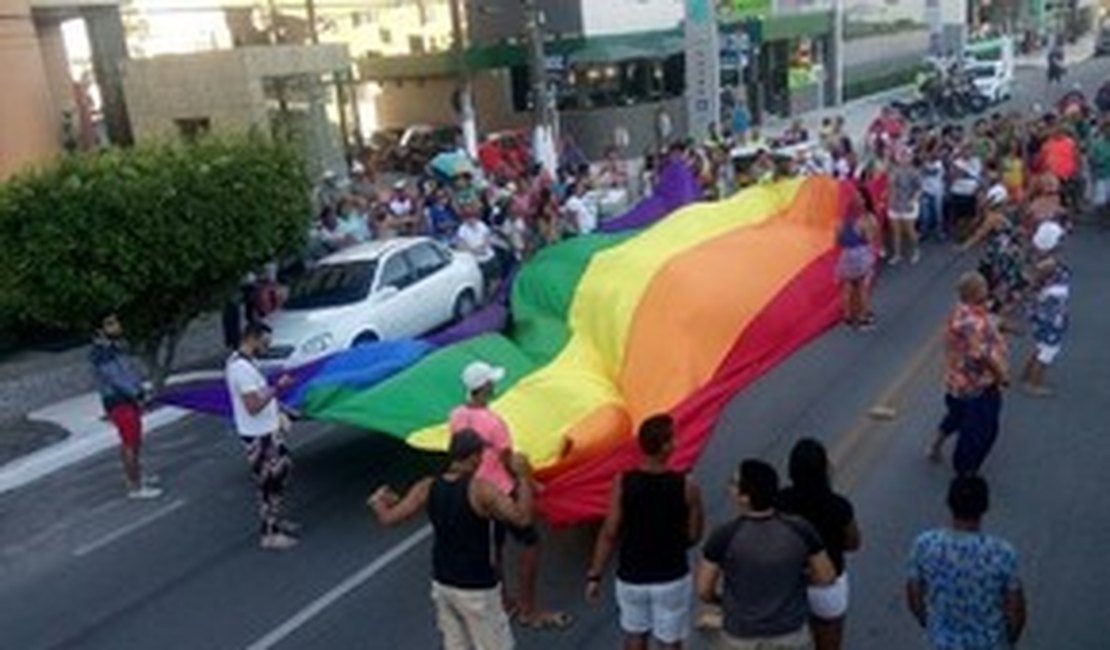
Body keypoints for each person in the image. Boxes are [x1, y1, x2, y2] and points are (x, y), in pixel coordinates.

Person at [369, 430, 533, 650]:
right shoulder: (481, 490)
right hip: (477, 587)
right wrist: (523, 476)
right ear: (475, 457)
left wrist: (379, 501)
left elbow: (389, 518)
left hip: (443, 582)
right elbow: (522, 519)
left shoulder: (428, 486)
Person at [448, 361, 571, 630]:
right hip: (501, 490)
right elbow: (508, 463)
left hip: (473, 490)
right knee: (530, 544)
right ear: (485, 388)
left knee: (495, 548)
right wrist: (529, 483)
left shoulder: (456, 415)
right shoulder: (495, 423)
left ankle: (504, 601)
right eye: (491, 382)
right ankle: (528, 610)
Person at [585, 415, 705, 650]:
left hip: (632, 576)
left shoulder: (623, 482)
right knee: (670, 640)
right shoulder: (687, 485)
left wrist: (595, 575)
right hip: (671, 575)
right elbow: (694, 535)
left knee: (634, 635)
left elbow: (609, 532)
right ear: (665, 447)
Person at [696, 459, 837, 650]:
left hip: (740, 636)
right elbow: (826, 576)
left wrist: (723, 601)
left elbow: (704, 590)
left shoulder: (724, 536)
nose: (730, 486)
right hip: (790, 633)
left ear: (744, 497)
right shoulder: (800, 529)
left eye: (734, 483)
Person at [906, 475, 1026, 650]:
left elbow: (914, 597)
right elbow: (1017, 610)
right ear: (985, 506)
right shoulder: (1002, 553)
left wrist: (931, 626)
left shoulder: (924, 544)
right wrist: (1008, 640)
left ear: (949, 503)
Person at [777, 439, 861, 650]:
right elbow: (853, 543)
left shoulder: (780, 501)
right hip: (827, 585)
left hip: (788, 583)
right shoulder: (838, 505)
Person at [926, 272, 1009, 475]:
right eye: (982, 286)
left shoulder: (960, 310)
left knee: (955, 415)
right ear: (976, 292)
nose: (986, 288)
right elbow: (980, 355)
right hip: (977, 384)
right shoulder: (974, 323)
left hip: (957, 380)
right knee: (982, 430)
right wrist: (1000, 376)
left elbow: (984, 319)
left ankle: (935, 446)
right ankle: (966, 470)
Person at [226, 322, 298, 551]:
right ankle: (270, 534)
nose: (267, 347)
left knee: (281, 472)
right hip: (259, 435)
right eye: (265, 343)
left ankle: (275, 520)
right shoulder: (241, 369)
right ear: (253, 339)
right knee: (270, 483)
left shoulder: (246, 362)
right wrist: (278, 386)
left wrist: (281, 409)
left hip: (267, 431)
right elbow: (253, 405)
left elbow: (260, 396)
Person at [90, 311, 162, 499]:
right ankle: (135, 488)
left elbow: (129, 373)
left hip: (126, 399)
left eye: (116, 322)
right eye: (111, 324)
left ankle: (135, 477)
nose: (117, 326)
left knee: (133, 441)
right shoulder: (102, 354)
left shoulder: (114, 348)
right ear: (99, 331)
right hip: (119, 402)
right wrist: (138, 394)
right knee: (131, 442)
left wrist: (140, 389)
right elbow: (117, 379)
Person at [1021, 221, 1070, 396]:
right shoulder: (1048, 264)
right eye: (1059, 239)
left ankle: (1027, 375)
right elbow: (1033, 284)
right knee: (1049, 349)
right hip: (1049, 311)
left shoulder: (1042, 259)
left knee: (1042, 345)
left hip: (1046, 308)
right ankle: (1033, 383)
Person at [835, 193, 878, 330]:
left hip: (846, 255)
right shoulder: (864, 221)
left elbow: (837, 242)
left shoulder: (839, 222)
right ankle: (863, 318)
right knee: (862, 288)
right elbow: (870, 239)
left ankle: (848, 317)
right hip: (861, 255)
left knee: (848, 287)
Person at [887, 149, 923, 265]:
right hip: (895, 204)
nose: (903, 159)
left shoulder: (914, 172)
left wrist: (914, 199)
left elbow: (919, 188)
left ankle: (916, 251)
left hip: (908, 204)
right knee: (896, 231)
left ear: (910, 158)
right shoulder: (893, 171)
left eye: (906, 156)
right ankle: (897, 254)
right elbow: (890, 188)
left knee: (910, 230)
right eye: (901, 156)